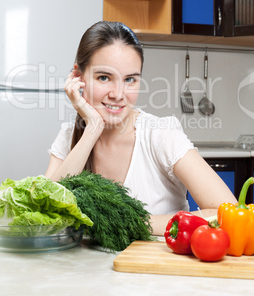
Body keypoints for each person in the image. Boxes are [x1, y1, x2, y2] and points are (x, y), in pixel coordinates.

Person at [45, 21, 237, 235]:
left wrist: (133, 222)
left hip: (155, 266)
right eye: (104, 77)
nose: (118, 94)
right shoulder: (69, 136)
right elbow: (47, 212)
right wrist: (92, 129)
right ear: (78, 76)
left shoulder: (160, 135)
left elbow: (227, 213)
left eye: (129, 79)